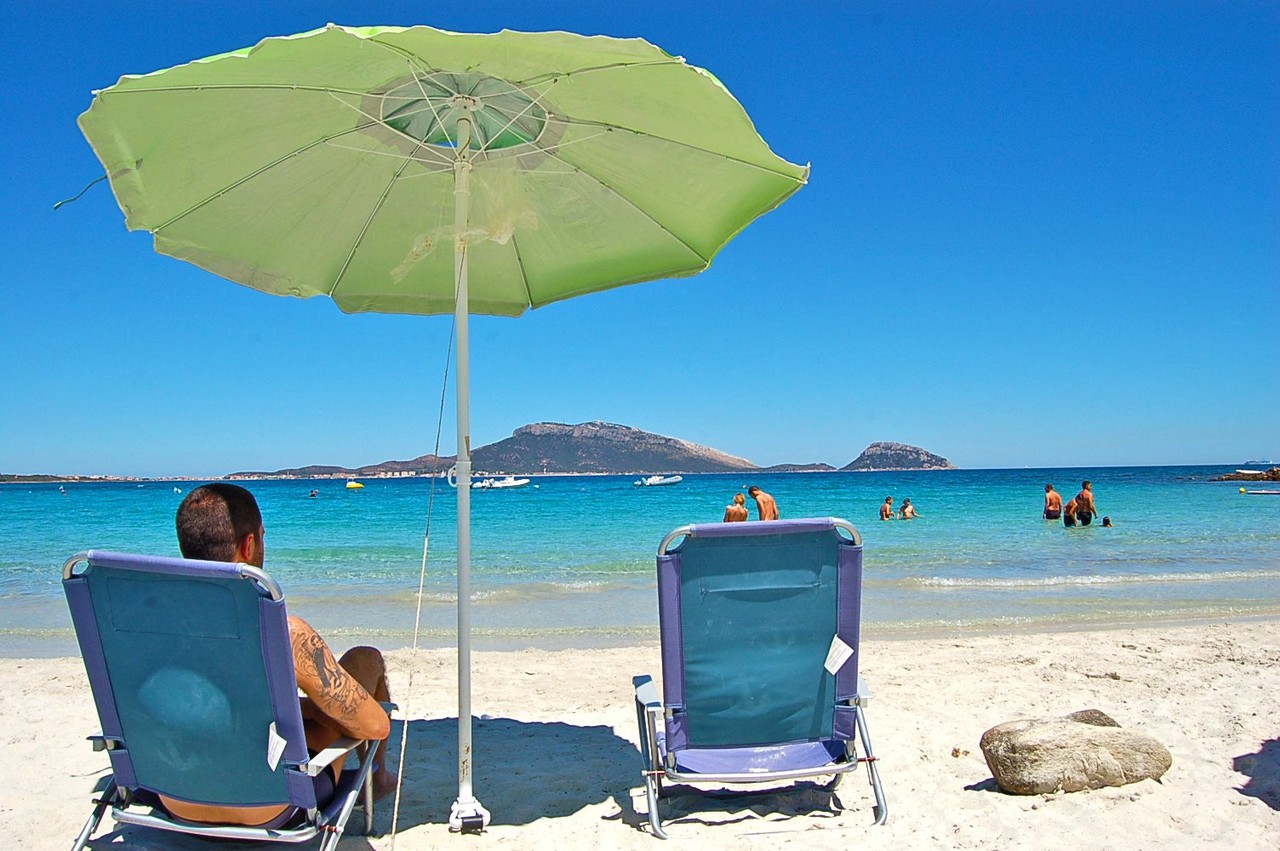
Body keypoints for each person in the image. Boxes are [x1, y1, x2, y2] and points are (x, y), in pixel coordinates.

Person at [167, 483, 396, 827]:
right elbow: (375, 726)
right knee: (365, 659)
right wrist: (316, 711)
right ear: (249, 545)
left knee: (307, 722)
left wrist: (299, 709)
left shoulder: (158, 625)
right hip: (269, 805)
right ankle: (378, 781)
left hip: (174, 795)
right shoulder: (285, 634)